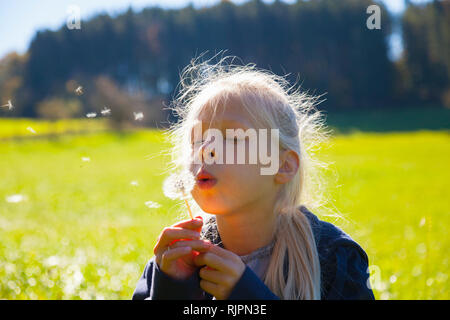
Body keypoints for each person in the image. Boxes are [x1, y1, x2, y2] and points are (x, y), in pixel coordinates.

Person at [132, 55, 375, 300]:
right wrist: (172, 289)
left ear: (283, 165)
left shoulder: (333, 259)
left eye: (233, 138)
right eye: (197, 140)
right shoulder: (172, 264)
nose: (206, 149)